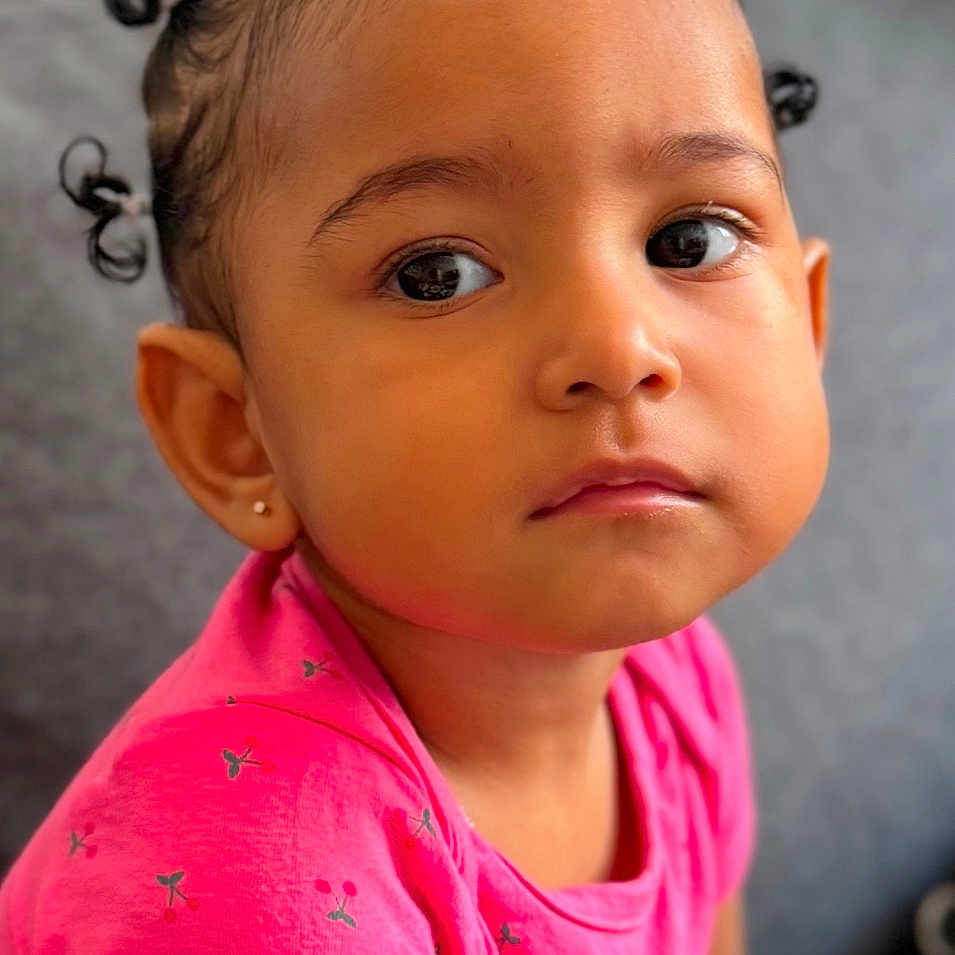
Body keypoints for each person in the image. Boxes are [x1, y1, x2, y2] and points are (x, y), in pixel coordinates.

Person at [0, 0, 829, 951]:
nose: (617, 344)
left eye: (689, 240)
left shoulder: (667, 670)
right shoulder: (246, 890)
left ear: (807, 327)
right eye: (437, 273)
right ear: (237, 432)